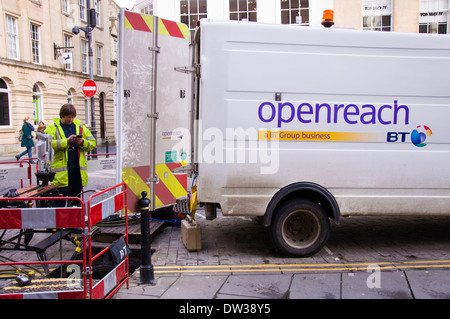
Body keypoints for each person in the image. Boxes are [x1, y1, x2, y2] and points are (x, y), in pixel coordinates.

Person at [44, 104, 96, 205]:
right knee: (59, 204)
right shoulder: (52, 128)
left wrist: (82, 142)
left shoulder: (80, 128)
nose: (71, 119)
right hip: (60, 175)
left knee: (75, 204)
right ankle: (60, 221)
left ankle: (74, 220)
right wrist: (66, 141)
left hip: (77, 173)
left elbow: (92, 143)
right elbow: (47, 145)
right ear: (62, 116)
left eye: (73, 117)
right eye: (68, 117)